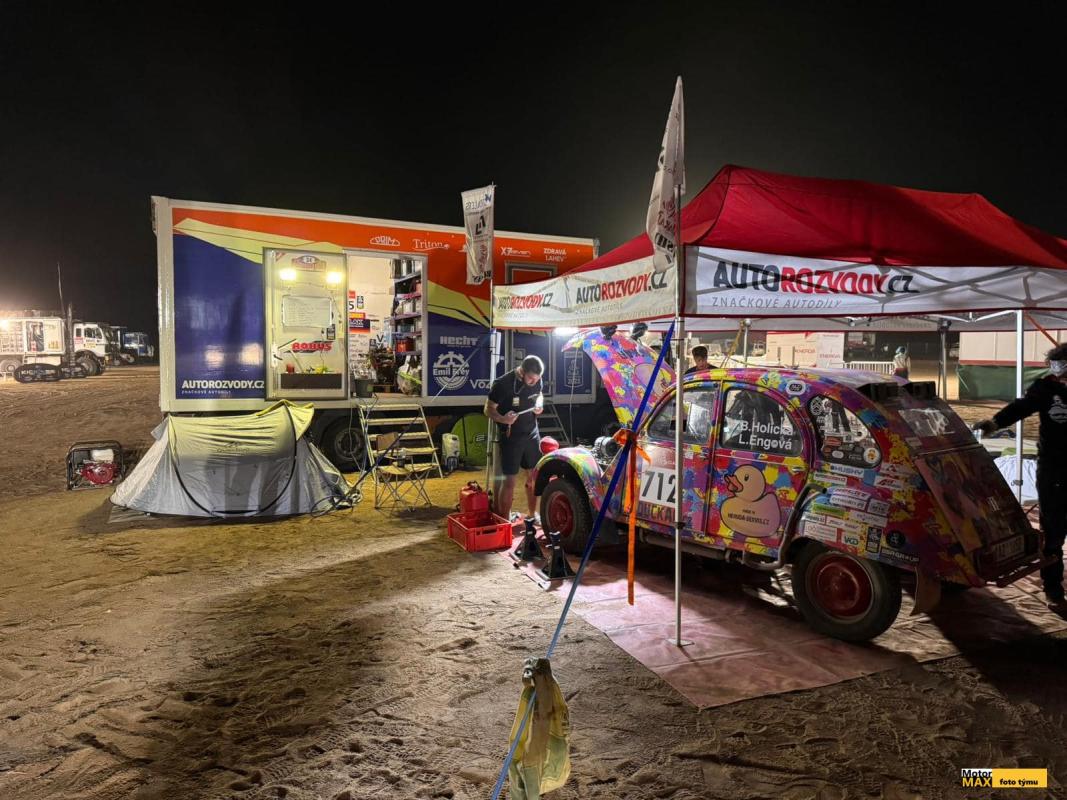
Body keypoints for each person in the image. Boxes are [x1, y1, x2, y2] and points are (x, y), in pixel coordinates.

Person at [974, 342, 1067, 612]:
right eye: (1059, 370)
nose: (1061, 376)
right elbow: (1021, 407)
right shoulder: (1045, 388)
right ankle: (1053, 591)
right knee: (1053, 532)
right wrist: (995, 423)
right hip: (1054, 470)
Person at [485, 355, 545, 521]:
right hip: (511, 435)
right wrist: (503, 419)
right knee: (510, 480)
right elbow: (488, 409)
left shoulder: (537, 380)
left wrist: (539, 405)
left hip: (531, 432)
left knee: (533, 477)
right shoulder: (503, 384)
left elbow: (539, 394)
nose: (534, 381)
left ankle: (532, 515)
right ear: (521, 372)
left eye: (537, 379)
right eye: (531, 378)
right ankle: (505, 520)